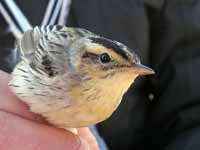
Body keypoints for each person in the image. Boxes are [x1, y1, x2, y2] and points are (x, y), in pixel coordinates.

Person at [1, 0, 200, 150]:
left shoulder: (111, 99)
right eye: (105, 60)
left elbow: (192, 108)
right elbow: (31, 41)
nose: (130, 71)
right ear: (82, 61)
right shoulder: (60, 69)